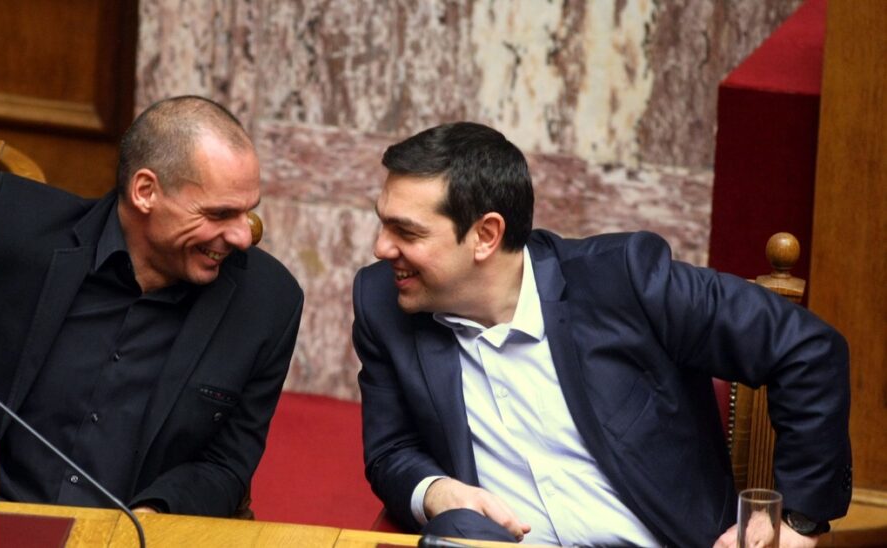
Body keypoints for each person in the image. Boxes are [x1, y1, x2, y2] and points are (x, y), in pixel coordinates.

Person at [352, 122, 850, 547]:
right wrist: (436, 492)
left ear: (486, 235)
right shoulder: (383, 304)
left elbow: (806, 349)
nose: (380, 248)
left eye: (407, 232)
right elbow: (392, 451)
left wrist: (798, 518)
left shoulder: (625, 280)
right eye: (382, 224)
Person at [0, 95, 304, 517]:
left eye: (248, 212)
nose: (242, 236)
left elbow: (225, 463)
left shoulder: (266, 303)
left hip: (120, 536)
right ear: (145, 191)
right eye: (219, 214)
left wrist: (155, 517)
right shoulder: (13, 227)